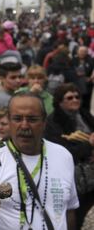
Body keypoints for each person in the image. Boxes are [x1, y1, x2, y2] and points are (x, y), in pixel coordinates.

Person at [0, 92, 79, 230]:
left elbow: (69, 210)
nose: (24, 126)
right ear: (9, 121)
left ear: (44, 122)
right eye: (17, 119)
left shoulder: (63, 156)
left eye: (32, 119)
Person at [44, 83, 94, 227]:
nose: (75, 100)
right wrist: (88, 145)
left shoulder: (84, 115)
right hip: (75, 178)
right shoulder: (53, 122)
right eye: (69, 97)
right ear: (60, 101)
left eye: (77, 97)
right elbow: (61, 152)